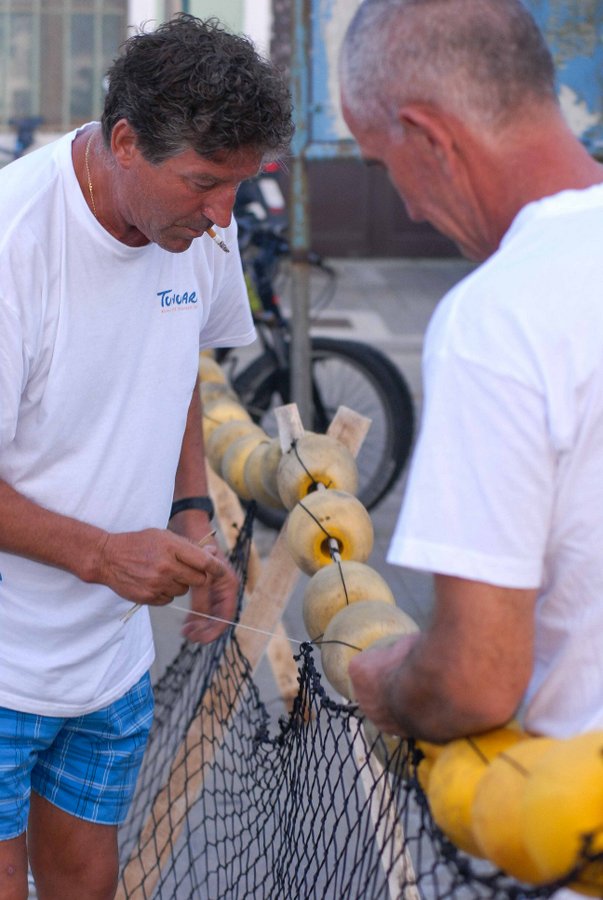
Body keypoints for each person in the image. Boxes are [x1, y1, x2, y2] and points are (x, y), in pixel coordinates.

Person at [0, 14, 292, 899]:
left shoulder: (202, 220)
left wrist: (191, 515)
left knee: (90, 880)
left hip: (109, 660)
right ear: (125, 142)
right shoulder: (16, 241)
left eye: (237, 188)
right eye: (204, 184)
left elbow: (175, 371)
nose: (220, 218)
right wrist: (102, 553)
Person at [340, 0, 603, 746]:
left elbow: (473, 679)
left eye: (385, 168)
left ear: (427, 137)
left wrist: (390, 678)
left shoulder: (498, 314)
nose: (412, 211)